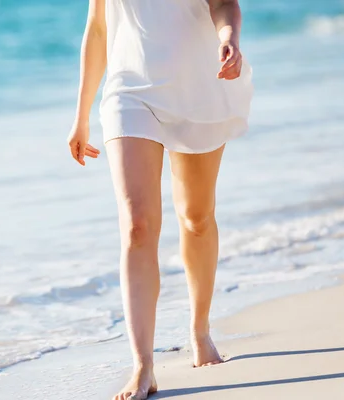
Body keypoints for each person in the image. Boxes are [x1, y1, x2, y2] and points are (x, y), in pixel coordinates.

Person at [67, 0, 253, 398]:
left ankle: (200, 330)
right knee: (137, 226)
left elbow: (223, 4)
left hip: (199, 85)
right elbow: (98, 28)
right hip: (128, 91)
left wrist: (230, 39)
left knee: (197, 217)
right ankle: (143, 367)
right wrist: (81, 114)